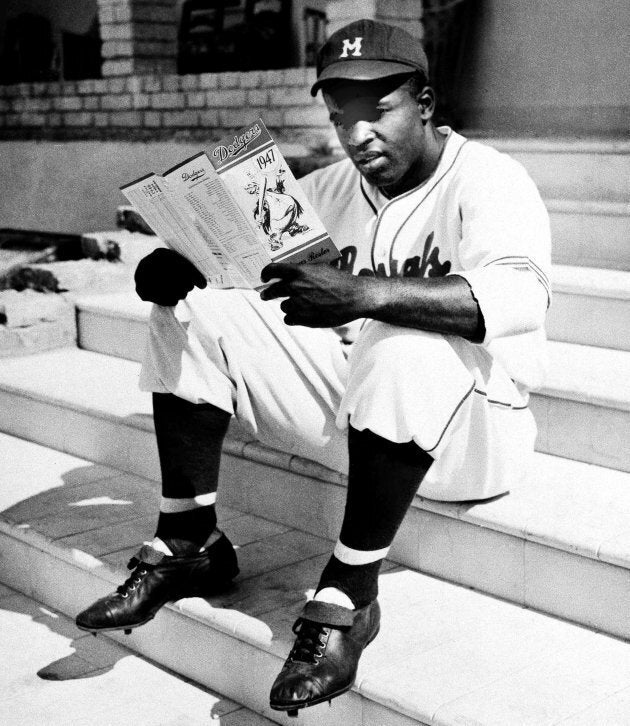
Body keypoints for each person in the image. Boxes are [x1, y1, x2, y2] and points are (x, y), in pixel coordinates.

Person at [75, 18, 551, 716]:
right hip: (367, 419)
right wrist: (184, 268)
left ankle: (349, 594)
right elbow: (244, 274)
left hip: (477, 435)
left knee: (400, 333)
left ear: (424, 102)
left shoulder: (490, 180)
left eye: (378, 110)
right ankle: (189, 538)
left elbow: (522, 295)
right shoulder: (329, 188)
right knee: (198, 310)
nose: (358, 135)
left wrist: (365, 293)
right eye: (341, 117)